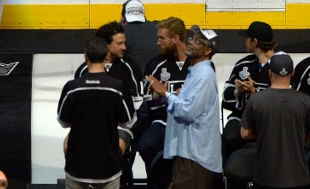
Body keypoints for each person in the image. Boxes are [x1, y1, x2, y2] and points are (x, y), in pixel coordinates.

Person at [147, 26, 222, 189]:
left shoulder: (204, 76)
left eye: (197, 41)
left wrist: (166, 93)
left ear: (208, 50)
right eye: (191, 38)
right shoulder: (195, 72)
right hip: (188, 153)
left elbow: (188, 111)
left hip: (195, 157)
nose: (190, 42)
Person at [58, 36, 136, 189]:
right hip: (108, 168)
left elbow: (63, 121)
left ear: (85, 57)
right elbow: (128, 122)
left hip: (77, 168)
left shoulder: (72, 87)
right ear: (106, 56)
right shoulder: (117, 87)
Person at [241, 52, 310, 189]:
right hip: (298, 178)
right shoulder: (305, 101)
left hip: (266, 177)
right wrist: (297, 135)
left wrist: (265, 131)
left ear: (270, 73)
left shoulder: (256, 99)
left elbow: (245, 133)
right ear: (293, 73)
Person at [137, 17, 190, 186]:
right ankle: (159, 182)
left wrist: (168, 93)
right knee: (146, 144)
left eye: (162, 38)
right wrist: (160, 97)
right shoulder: (155, 65)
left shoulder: (199, 63)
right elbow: (145, 100)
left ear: (175, 39)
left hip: (194, 123)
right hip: (164, 121)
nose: (157, 42)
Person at [221, 21, 276, 161]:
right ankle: (231, 178)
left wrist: (254, 92)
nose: (245, 41)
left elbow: (284, 100)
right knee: (230, 135)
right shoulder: (243, 64)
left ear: (255, 42)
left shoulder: (280, 66)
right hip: (242, 117)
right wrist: (237, 92)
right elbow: (226, 93)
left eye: (247, 38)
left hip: (271, 122)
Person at [119, 0, 159, 73]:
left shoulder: (120, 33)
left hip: (132, 78)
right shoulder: (158, 29)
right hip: (156, 78)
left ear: (123, 19)